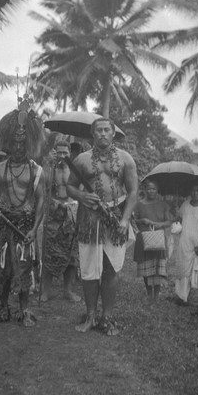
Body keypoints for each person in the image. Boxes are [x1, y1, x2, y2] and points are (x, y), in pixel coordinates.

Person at [67, 118, 138, 335]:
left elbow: (133, 191)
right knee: (89, 269)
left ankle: (107, 317)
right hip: (89, 218)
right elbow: (69, 186)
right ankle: (90, 316)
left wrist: (125, 220)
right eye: (99, 130)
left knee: (111, 268)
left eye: (107, 130)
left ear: (114, 133)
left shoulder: (126, 159)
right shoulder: (82, 159)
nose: (103, 134)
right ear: (92, 134)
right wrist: (80, 195)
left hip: (116, 217)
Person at [0, 104, 45, 327]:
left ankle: (25, 310)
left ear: (28, 144)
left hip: (24, 226)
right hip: (3, 224)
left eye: (23, 143)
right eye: (15, 143)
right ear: (9, 144)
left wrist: (33, 228)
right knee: (2, 270)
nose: (19, 147)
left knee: (23, 269)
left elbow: (41, 201)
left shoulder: (37, 171)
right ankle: (2, 309)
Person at [40, 140, 80, 302]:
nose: (62, 156)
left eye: (65, 153)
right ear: (55, 152)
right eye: (59, 152)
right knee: (49, 251)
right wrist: (48, 163)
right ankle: (46, 290)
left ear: (70, 153)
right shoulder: (49, 168)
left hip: (71, 213)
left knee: (71, 254)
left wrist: (73, 204)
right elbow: (43, 188)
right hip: (53, 213)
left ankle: (68, 290)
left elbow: (80, 190)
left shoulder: (76, 169)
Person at [174, 184, 198, 311]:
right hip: (185, 243)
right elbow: (179, 220)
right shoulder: (185, 204)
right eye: (193, 190)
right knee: (183, 270)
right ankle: (183, 297)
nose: (195, 192)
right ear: (190, 191)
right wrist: (175, 212)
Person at [133, 179, 172, 301]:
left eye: (154, 189)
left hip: (158, 238)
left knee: (158, 266)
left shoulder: (163, 204)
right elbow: (134, 221)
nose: (151, 191)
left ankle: (156, 294)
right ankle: (149, 293)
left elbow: (168, 221)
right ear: (144, 190)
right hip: (144, 239)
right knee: (147, 267)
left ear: (157, 190)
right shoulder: (138, 205)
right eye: (149, 188)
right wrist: (142, 221)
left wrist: (156, 224)